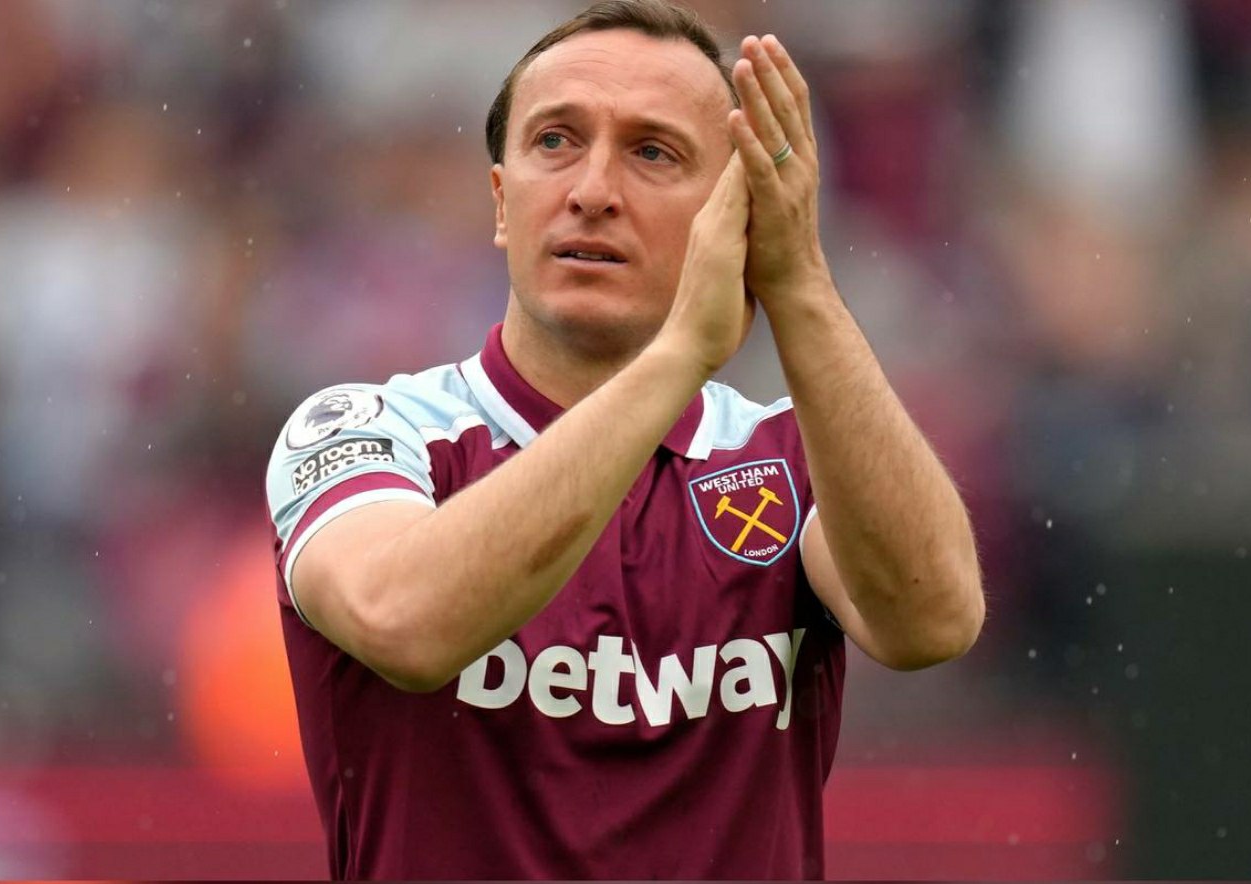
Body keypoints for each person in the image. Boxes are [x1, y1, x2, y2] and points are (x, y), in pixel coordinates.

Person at [265, 1, 984, 878]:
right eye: (555, 141)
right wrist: (680, 355)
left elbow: (931, 620)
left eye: (653, 152)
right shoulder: (368, 431)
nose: (592, 190)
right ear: (502, 201)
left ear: (737, 213)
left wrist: (798, 280)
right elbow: (405, 623)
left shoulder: (787, 458)